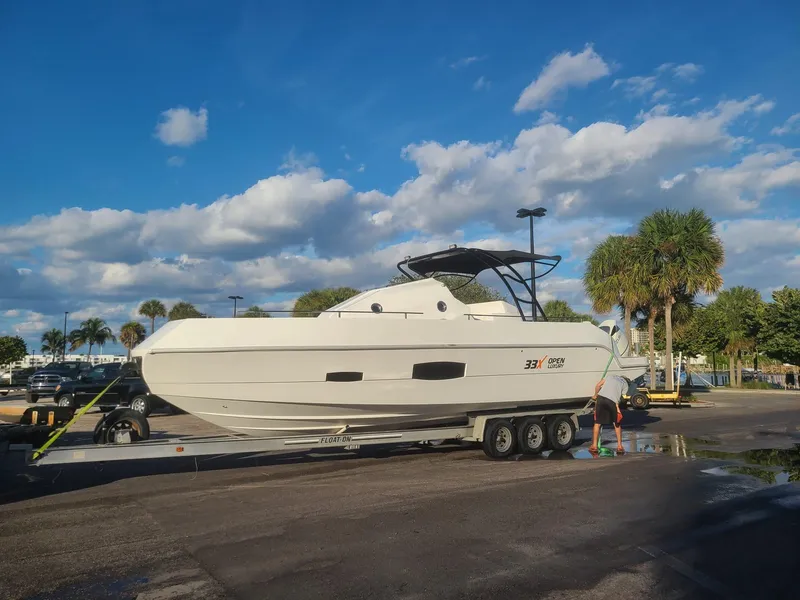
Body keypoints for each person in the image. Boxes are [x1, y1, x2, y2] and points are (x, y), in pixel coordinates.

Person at [589, 374, 627, 453]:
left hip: (601, 398)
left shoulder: (610, 376)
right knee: (616, 423)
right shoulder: (625, 384)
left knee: (597, 423)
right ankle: (619, 446)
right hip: (612, 401)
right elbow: (621, 396)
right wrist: (617, 405)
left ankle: (594, 446)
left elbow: (598, 385)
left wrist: (595, 395)